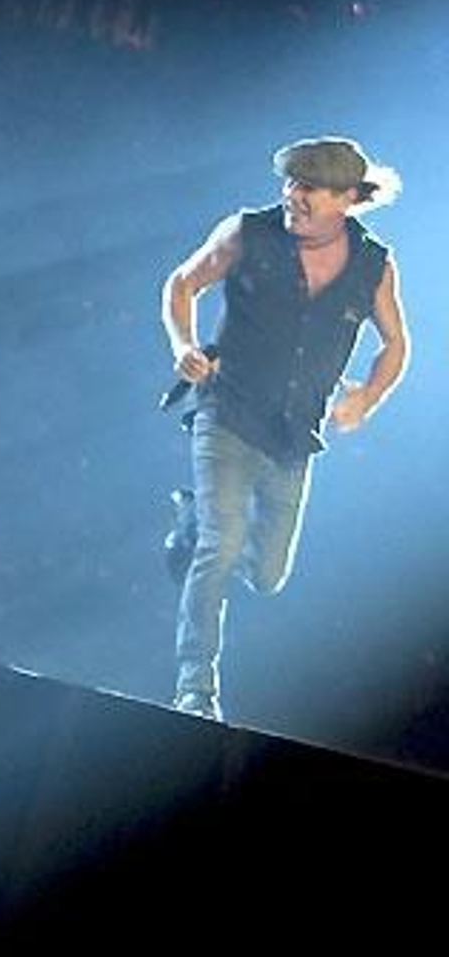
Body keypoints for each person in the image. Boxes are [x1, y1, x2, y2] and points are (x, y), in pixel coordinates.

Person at [161, 136, 410, 721]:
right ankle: (197, 689)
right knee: (219, 550)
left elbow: (396, 344)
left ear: (347, 198)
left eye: (309, 188)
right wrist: (183, 344)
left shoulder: (374, 263)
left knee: (268, 574)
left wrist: (367, 398)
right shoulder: (248, 231)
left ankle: (193, 521)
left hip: (294, 436)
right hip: (226, 411)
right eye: (290, 183)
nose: (292, 196)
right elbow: (182, 283)